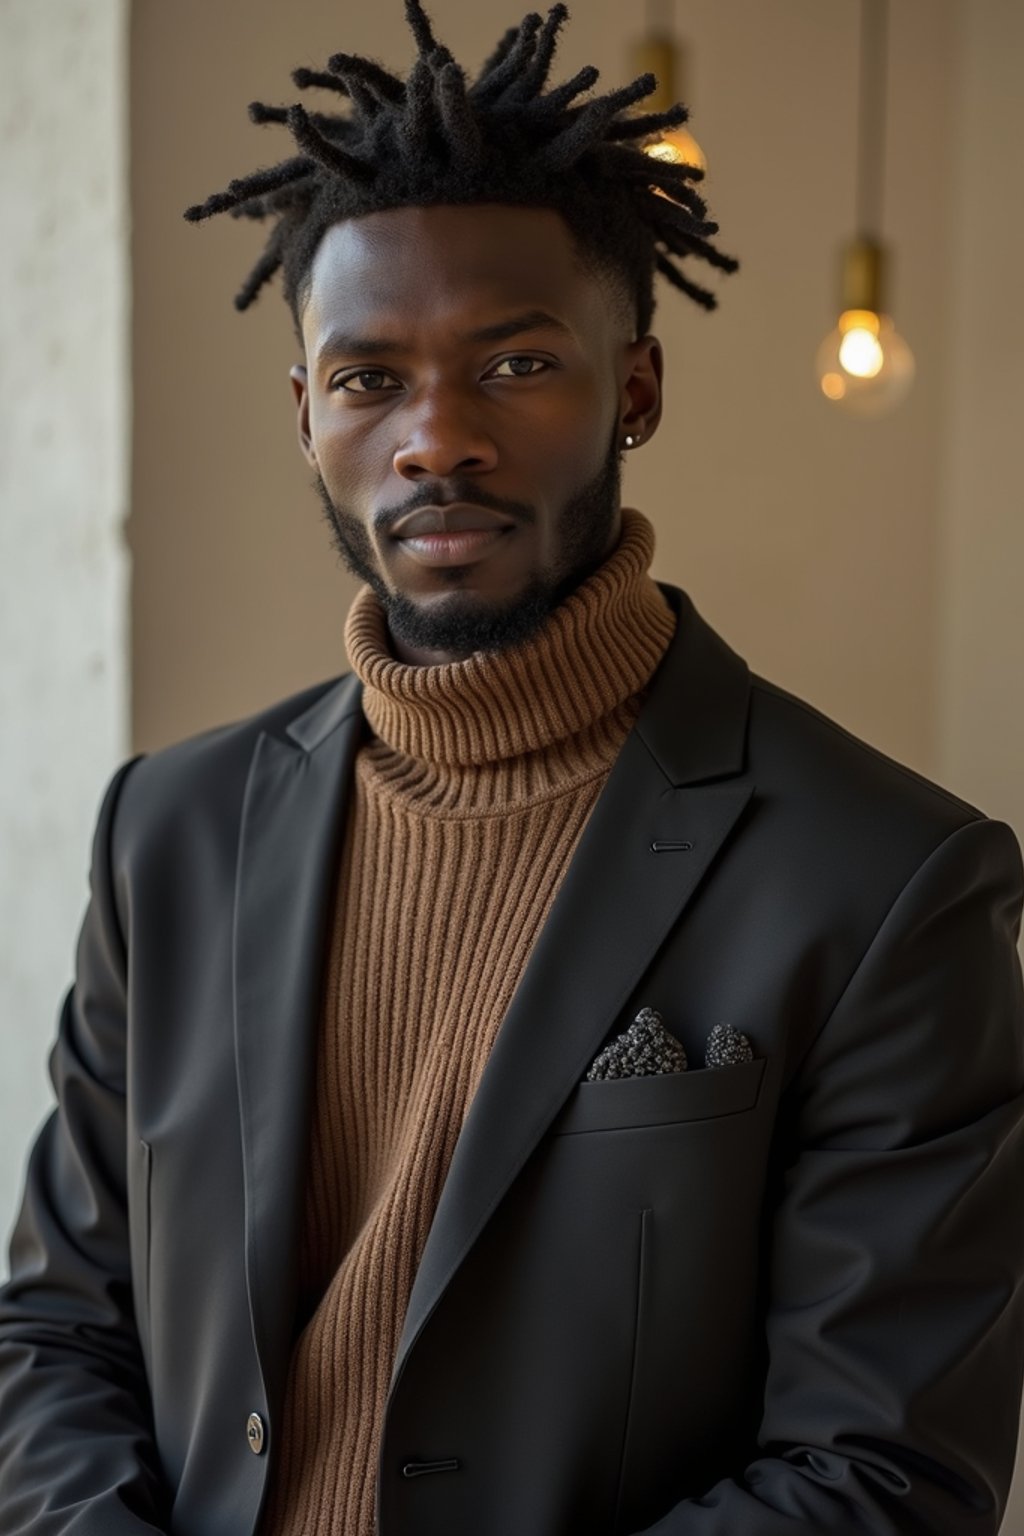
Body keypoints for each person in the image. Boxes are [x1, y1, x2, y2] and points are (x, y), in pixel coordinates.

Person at [2, 3, 1023, 1533]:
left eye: (517, 361)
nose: (437, 439)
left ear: (637, 390)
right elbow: (57, 1338)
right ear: (305, 419)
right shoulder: (173, 830)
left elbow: (880, 1475)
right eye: (367, 382)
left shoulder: (887, 881)